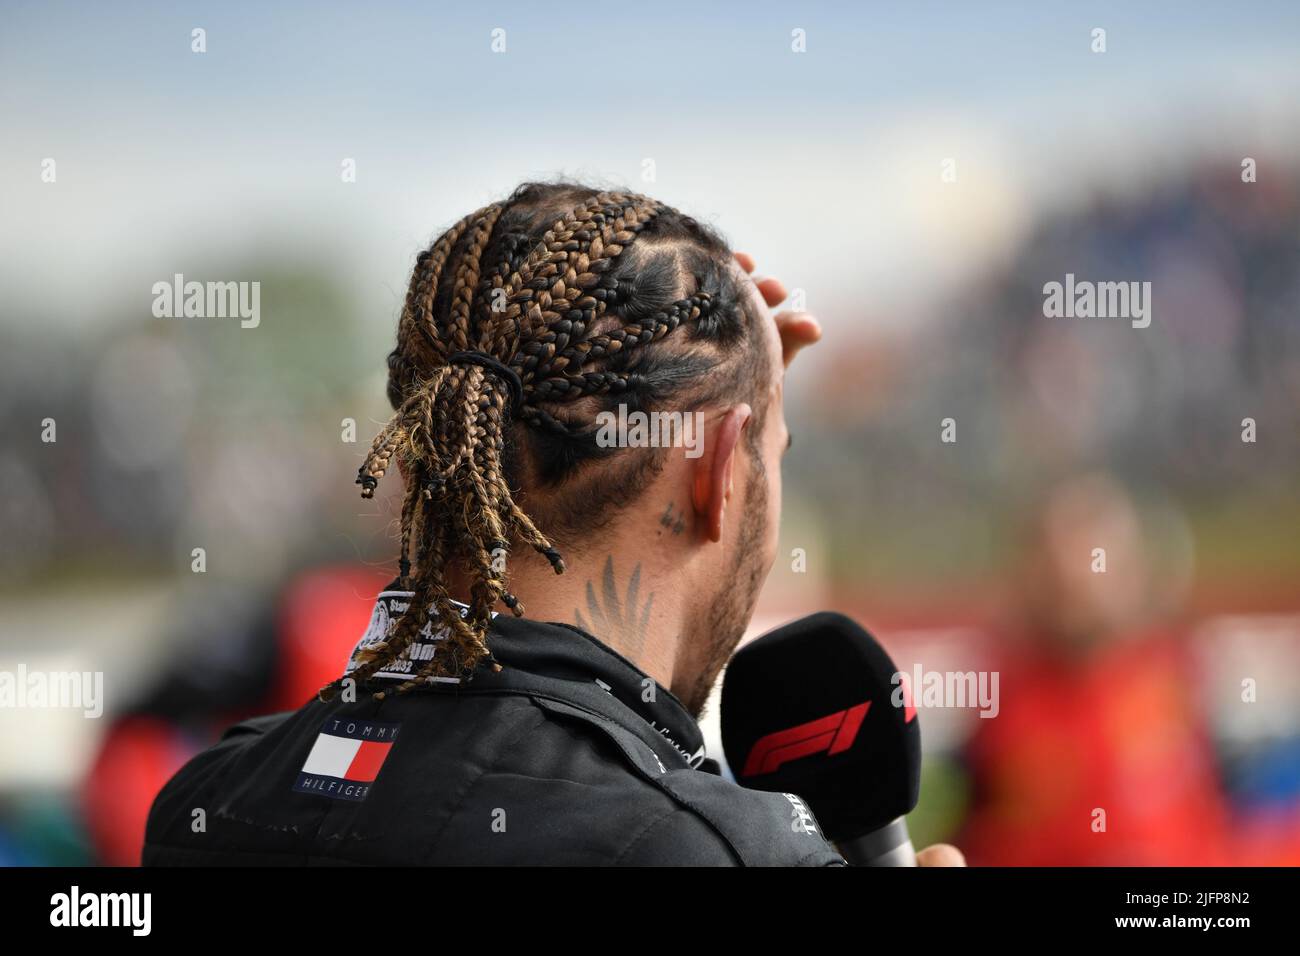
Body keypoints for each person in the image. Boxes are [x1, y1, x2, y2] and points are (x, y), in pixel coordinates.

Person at [144, 183, 963, 866]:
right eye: (773, 460)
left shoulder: (209, 804)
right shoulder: (715, 852)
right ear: (716, 480)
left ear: (421, 455)